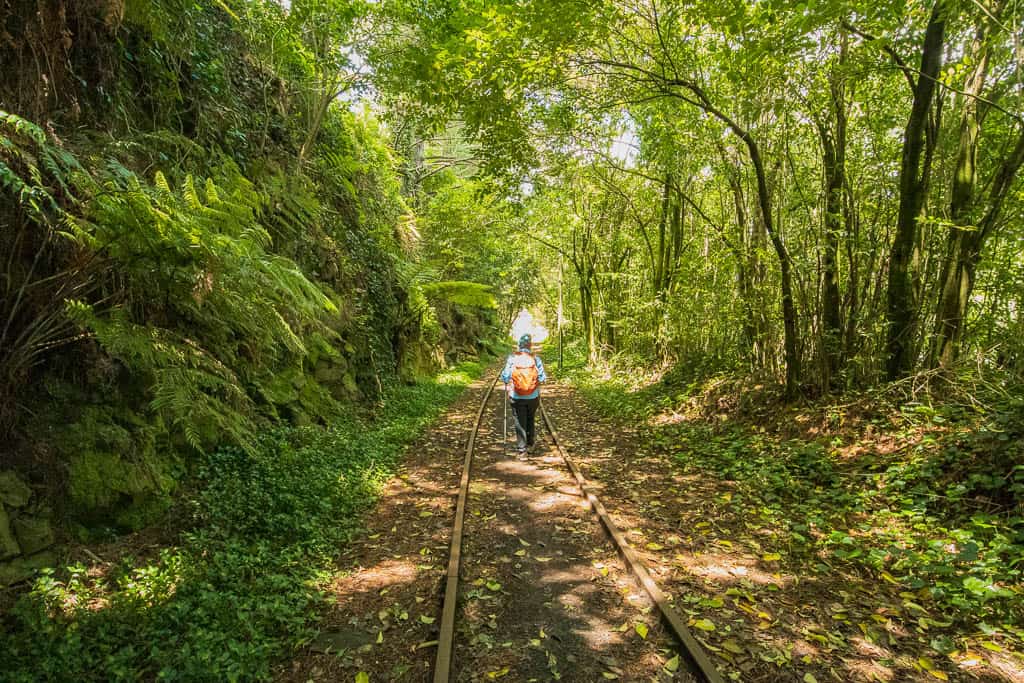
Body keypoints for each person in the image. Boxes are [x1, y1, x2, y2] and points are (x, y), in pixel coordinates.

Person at [500, 333, 547, 455]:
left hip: (516, 396)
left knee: (520, 420)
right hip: (533, 396)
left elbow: (505, 376)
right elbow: (542, 378)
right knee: (530, 418)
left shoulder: (512, 358)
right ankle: (531, 444)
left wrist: (507, 381)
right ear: (530, 345)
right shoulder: (535, 358)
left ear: (519, 346)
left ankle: (522, 449)